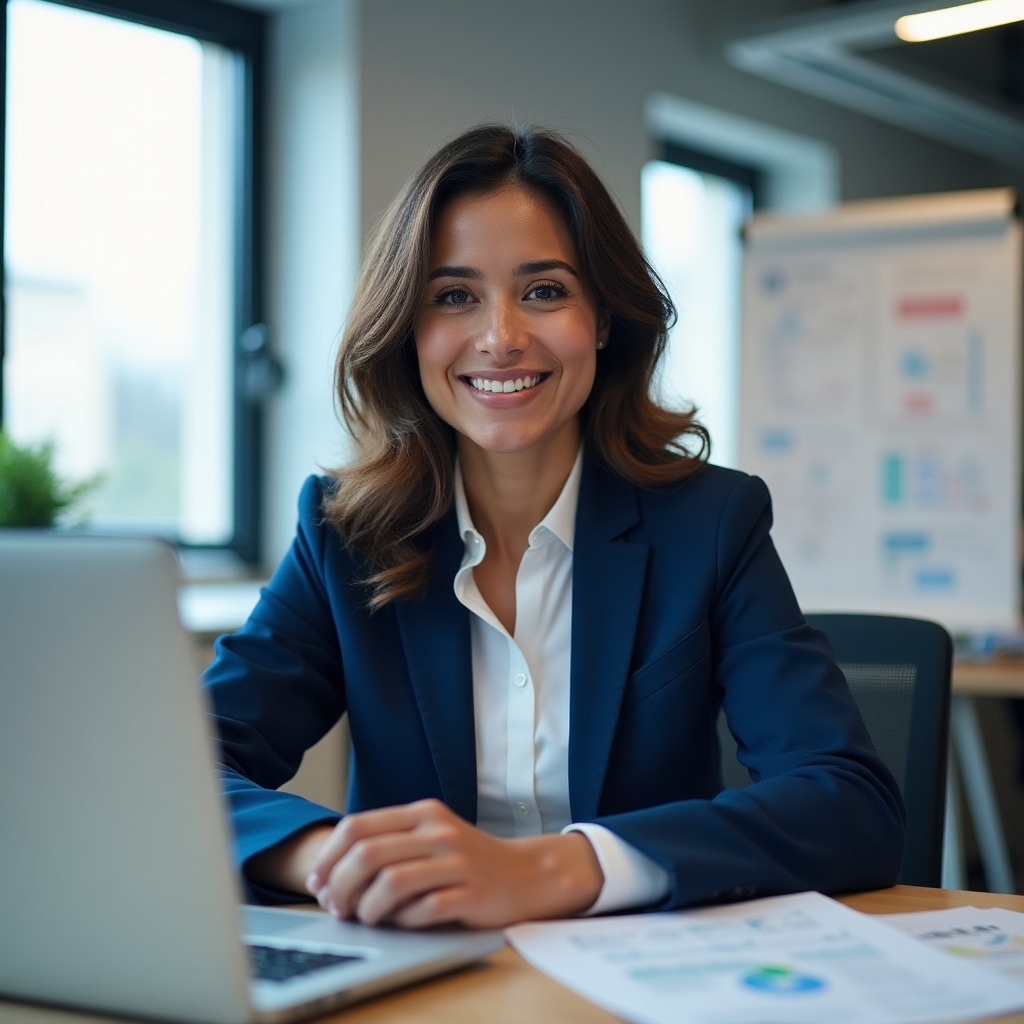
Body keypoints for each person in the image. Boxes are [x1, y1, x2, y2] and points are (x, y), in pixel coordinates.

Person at [205, 123, 904, 930]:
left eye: (544, 291)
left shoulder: (711, 524)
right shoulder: (344, 534)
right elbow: (181, 770)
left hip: (639, 976)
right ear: (408, 328)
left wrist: (556, 869)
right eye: (453, 295)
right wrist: (338, 861)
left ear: (603, 319)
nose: (501, 337)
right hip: (423, 981)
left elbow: (849, 803)